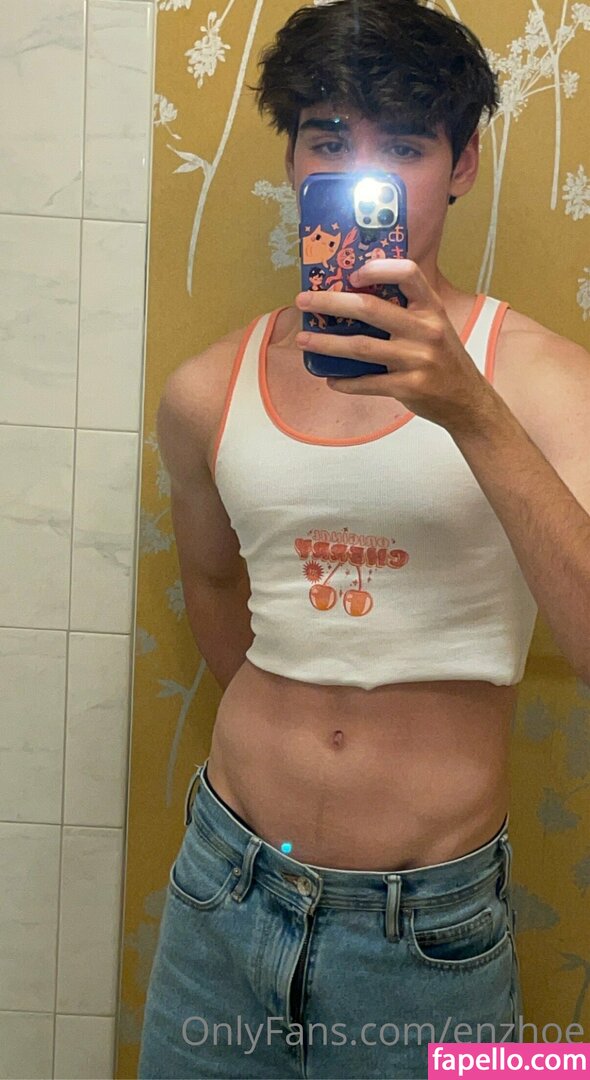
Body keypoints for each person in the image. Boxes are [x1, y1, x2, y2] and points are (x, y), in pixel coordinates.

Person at [138, 1, 590, 1077]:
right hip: (223, 887)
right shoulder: (205, 391)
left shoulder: (541, 380)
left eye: (404, 146)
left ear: (461, 164)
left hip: (430, 930)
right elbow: (215, 592)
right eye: (328, 140)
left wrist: (471, 411)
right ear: (292, 161)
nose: (357, 171)